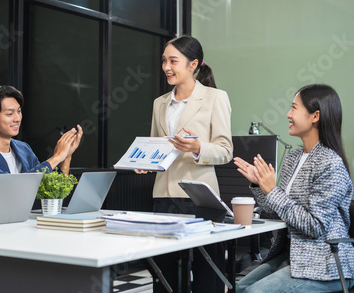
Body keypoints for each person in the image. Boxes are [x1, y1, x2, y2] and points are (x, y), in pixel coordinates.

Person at [234, 84, 354, 292]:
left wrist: (272, 190)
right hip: (291, 254)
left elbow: (314, 225)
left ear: (315, 116)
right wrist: (259, 185)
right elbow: (277, 211)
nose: (288, 114)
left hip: (324, 262)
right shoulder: (292, 158)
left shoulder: (331, 164)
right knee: (239, 287)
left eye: (294, 108)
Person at [138, 35, 233, 292]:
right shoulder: (159, 103)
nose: (166, 67)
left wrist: (198, 147)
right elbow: (158, 146)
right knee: (165, 274)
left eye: (173, 61)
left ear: (193, 64)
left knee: (206, 273)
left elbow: (225, 150)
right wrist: (146, 161)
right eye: (164, 61)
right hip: (163, 196)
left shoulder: (215, 98)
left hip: (200, 197)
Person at [0, 85, 82, 212]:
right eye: (10, 113)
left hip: (26, 223)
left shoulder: (23, 148)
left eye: (19, 111)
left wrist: (66, 156)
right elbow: (8, 187)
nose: (17, 118)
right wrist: (56, 157)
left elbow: (51, 187)